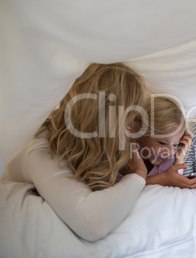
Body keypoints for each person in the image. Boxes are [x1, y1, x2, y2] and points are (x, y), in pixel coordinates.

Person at [2, 63, 148, 241]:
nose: (133, 126)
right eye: (130, 118)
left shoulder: (86, 144)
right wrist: (139, 175)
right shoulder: (40, 148)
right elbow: (93, 223)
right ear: (105, 117)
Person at [132, 96, 196, 188]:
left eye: (175, 145)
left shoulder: (167, 161)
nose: (170, 152)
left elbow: (176, 183)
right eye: (162, 143)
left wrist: (179, 159)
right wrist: (164, 178)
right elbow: (124, 187)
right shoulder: (126, 156)